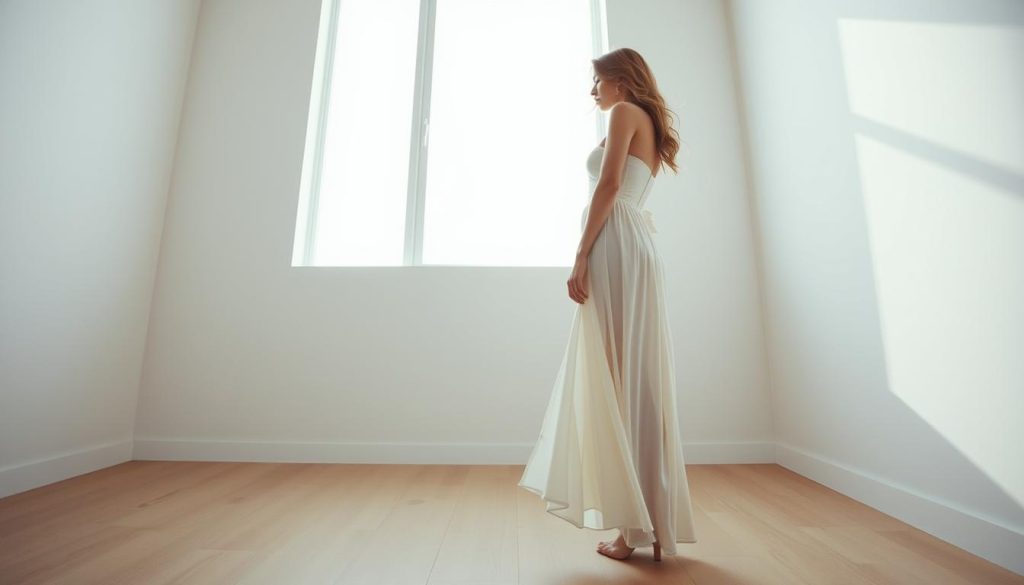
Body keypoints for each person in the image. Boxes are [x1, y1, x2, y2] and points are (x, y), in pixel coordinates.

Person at [517, 47, 697, 562]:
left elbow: (611, 184)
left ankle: (635, 527)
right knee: (633, 379)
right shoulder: (646, 121)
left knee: (620, 380)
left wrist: (580, 255)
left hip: (617, 242)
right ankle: (648, 523)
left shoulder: (622, 112)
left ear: (620, 80)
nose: (592, 91)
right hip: (633, 243)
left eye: (596, 81)